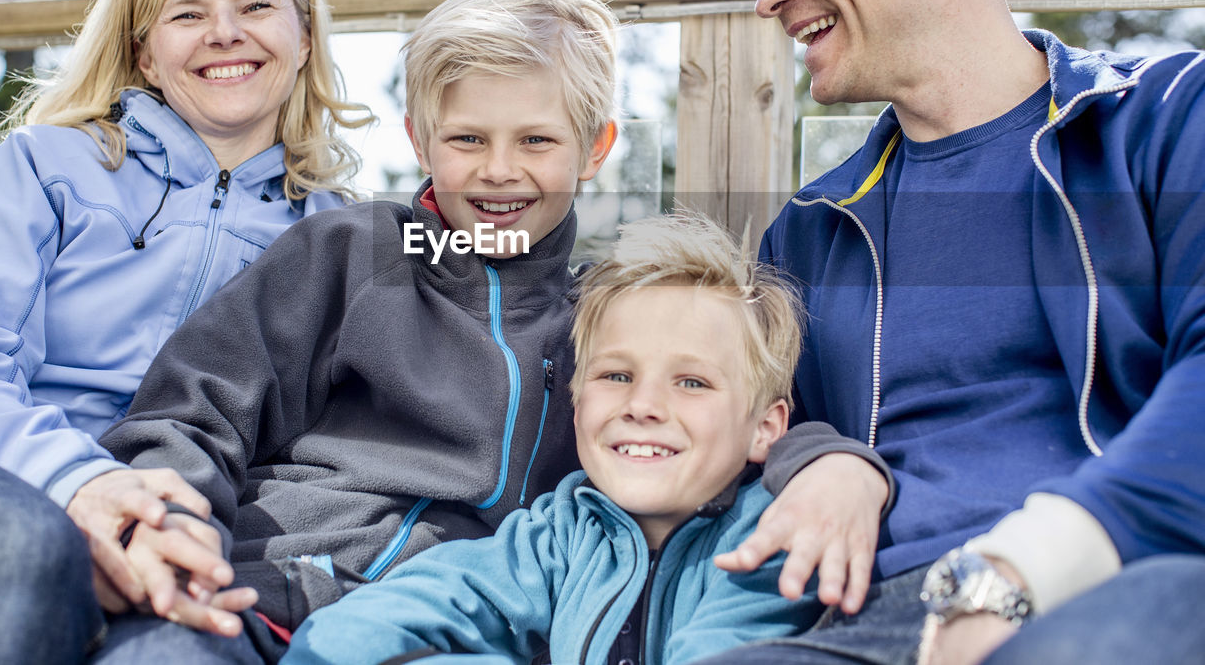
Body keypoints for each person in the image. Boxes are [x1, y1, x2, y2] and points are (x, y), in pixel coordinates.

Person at [697, 0, 1205, 664]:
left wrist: (1029, 563)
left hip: (1117, 582)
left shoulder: (1164, 121)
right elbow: (746, 425)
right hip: (866, 628)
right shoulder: (810, 232)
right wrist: (826, 458)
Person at [90, 0, 620, 663]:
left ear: (595, 148)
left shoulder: (601, 325)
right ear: (420, 141)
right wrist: (179, 532)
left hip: (435, 628)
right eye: (466, 140)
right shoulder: (350, 252)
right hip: (258, 591)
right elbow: (194, 406)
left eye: (536, 142)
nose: (498, 170)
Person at [0, 0, 372, 663]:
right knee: (28, 549)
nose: (225, 32)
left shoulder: (337, 236)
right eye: (186, 13)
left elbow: (331, 451)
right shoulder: (49, 164)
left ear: (302, 34)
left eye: (256, 5)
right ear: (144, 53)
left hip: (188, 524)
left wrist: (172, 531)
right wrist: (78, 485)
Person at [279, 211, 825, 665]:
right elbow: (370, 625)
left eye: (692, 382)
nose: (643, 406)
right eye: (617, 376)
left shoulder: (770, 538)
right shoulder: (562, 531)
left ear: (765, 429)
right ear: (577, 400)